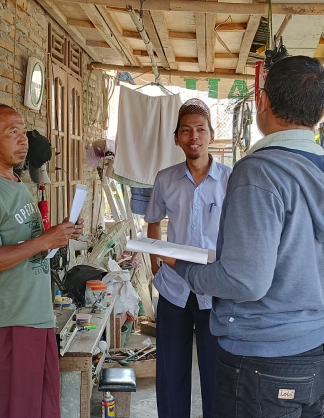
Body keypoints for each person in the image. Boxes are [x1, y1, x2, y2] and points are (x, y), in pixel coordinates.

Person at [159, 56, 324, 417]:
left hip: (263, 359)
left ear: (263, 101)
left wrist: (183, 268)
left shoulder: (258, 172)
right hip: (318, 347)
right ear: (323, 111)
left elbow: (245, 281)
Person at [0, 104, 83, 418]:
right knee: (6, 410)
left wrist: (58, 235)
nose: (23, 140)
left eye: (23, 132)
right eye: (12, 132)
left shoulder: (16, 184)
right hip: (4, 321)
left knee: (40, 409)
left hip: (35, 316)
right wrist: (44, 241)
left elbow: (26, 246)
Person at [145, 98, 232, 418]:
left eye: (200, 129)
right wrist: (156, 267)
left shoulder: (230, 179)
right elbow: (153, 222)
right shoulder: (165, 179)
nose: (194, 136)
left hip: (215, 289)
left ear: (211, 135)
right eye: (186, 130)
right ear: (177, 138)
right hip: (174, 287)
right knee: (171, 371)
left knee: (216, 372)